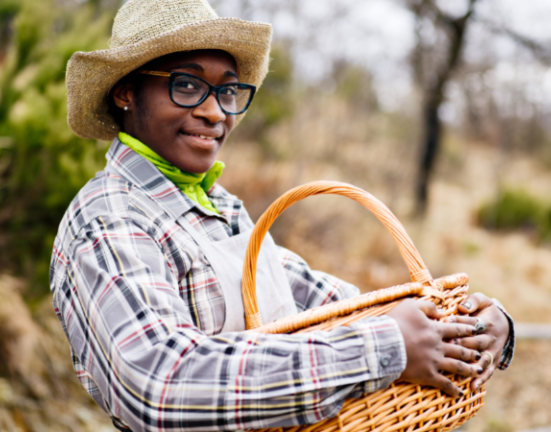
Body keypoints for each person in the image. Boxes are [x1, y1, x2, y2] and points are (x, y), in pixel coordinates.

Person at [52, 0, 515, 430]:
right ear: (126, 92)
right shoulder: (109, 217)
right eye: (188, 85)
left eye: (228, 90)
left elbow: (337, 307)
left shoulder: (223, 210)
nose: (216, 113)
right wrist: (387, 348)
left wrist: (481, 324)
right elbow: (160, 383)